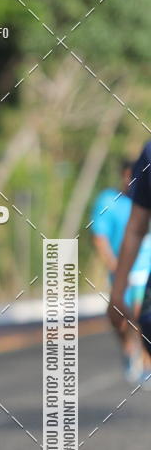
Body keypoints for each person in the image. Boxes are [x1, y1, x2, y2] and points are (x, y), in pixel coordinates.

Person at [91, 160, 151, 383]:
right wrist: (114, 265)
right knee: (118, 316)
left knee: (141, 313)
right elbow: (99, 236)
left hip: (146, 269)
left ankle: (146, 363)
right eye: (128, 176)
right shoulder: (108, 201)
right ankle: (127, 347)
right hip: (122, 269)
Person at [109, 146, 151, 375]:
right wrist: (117, 288)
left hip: (143, 270)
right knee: (140, 317)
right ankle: (137, 358)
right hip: (137, 273)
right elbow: (135, 229)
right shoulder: (149, 155)